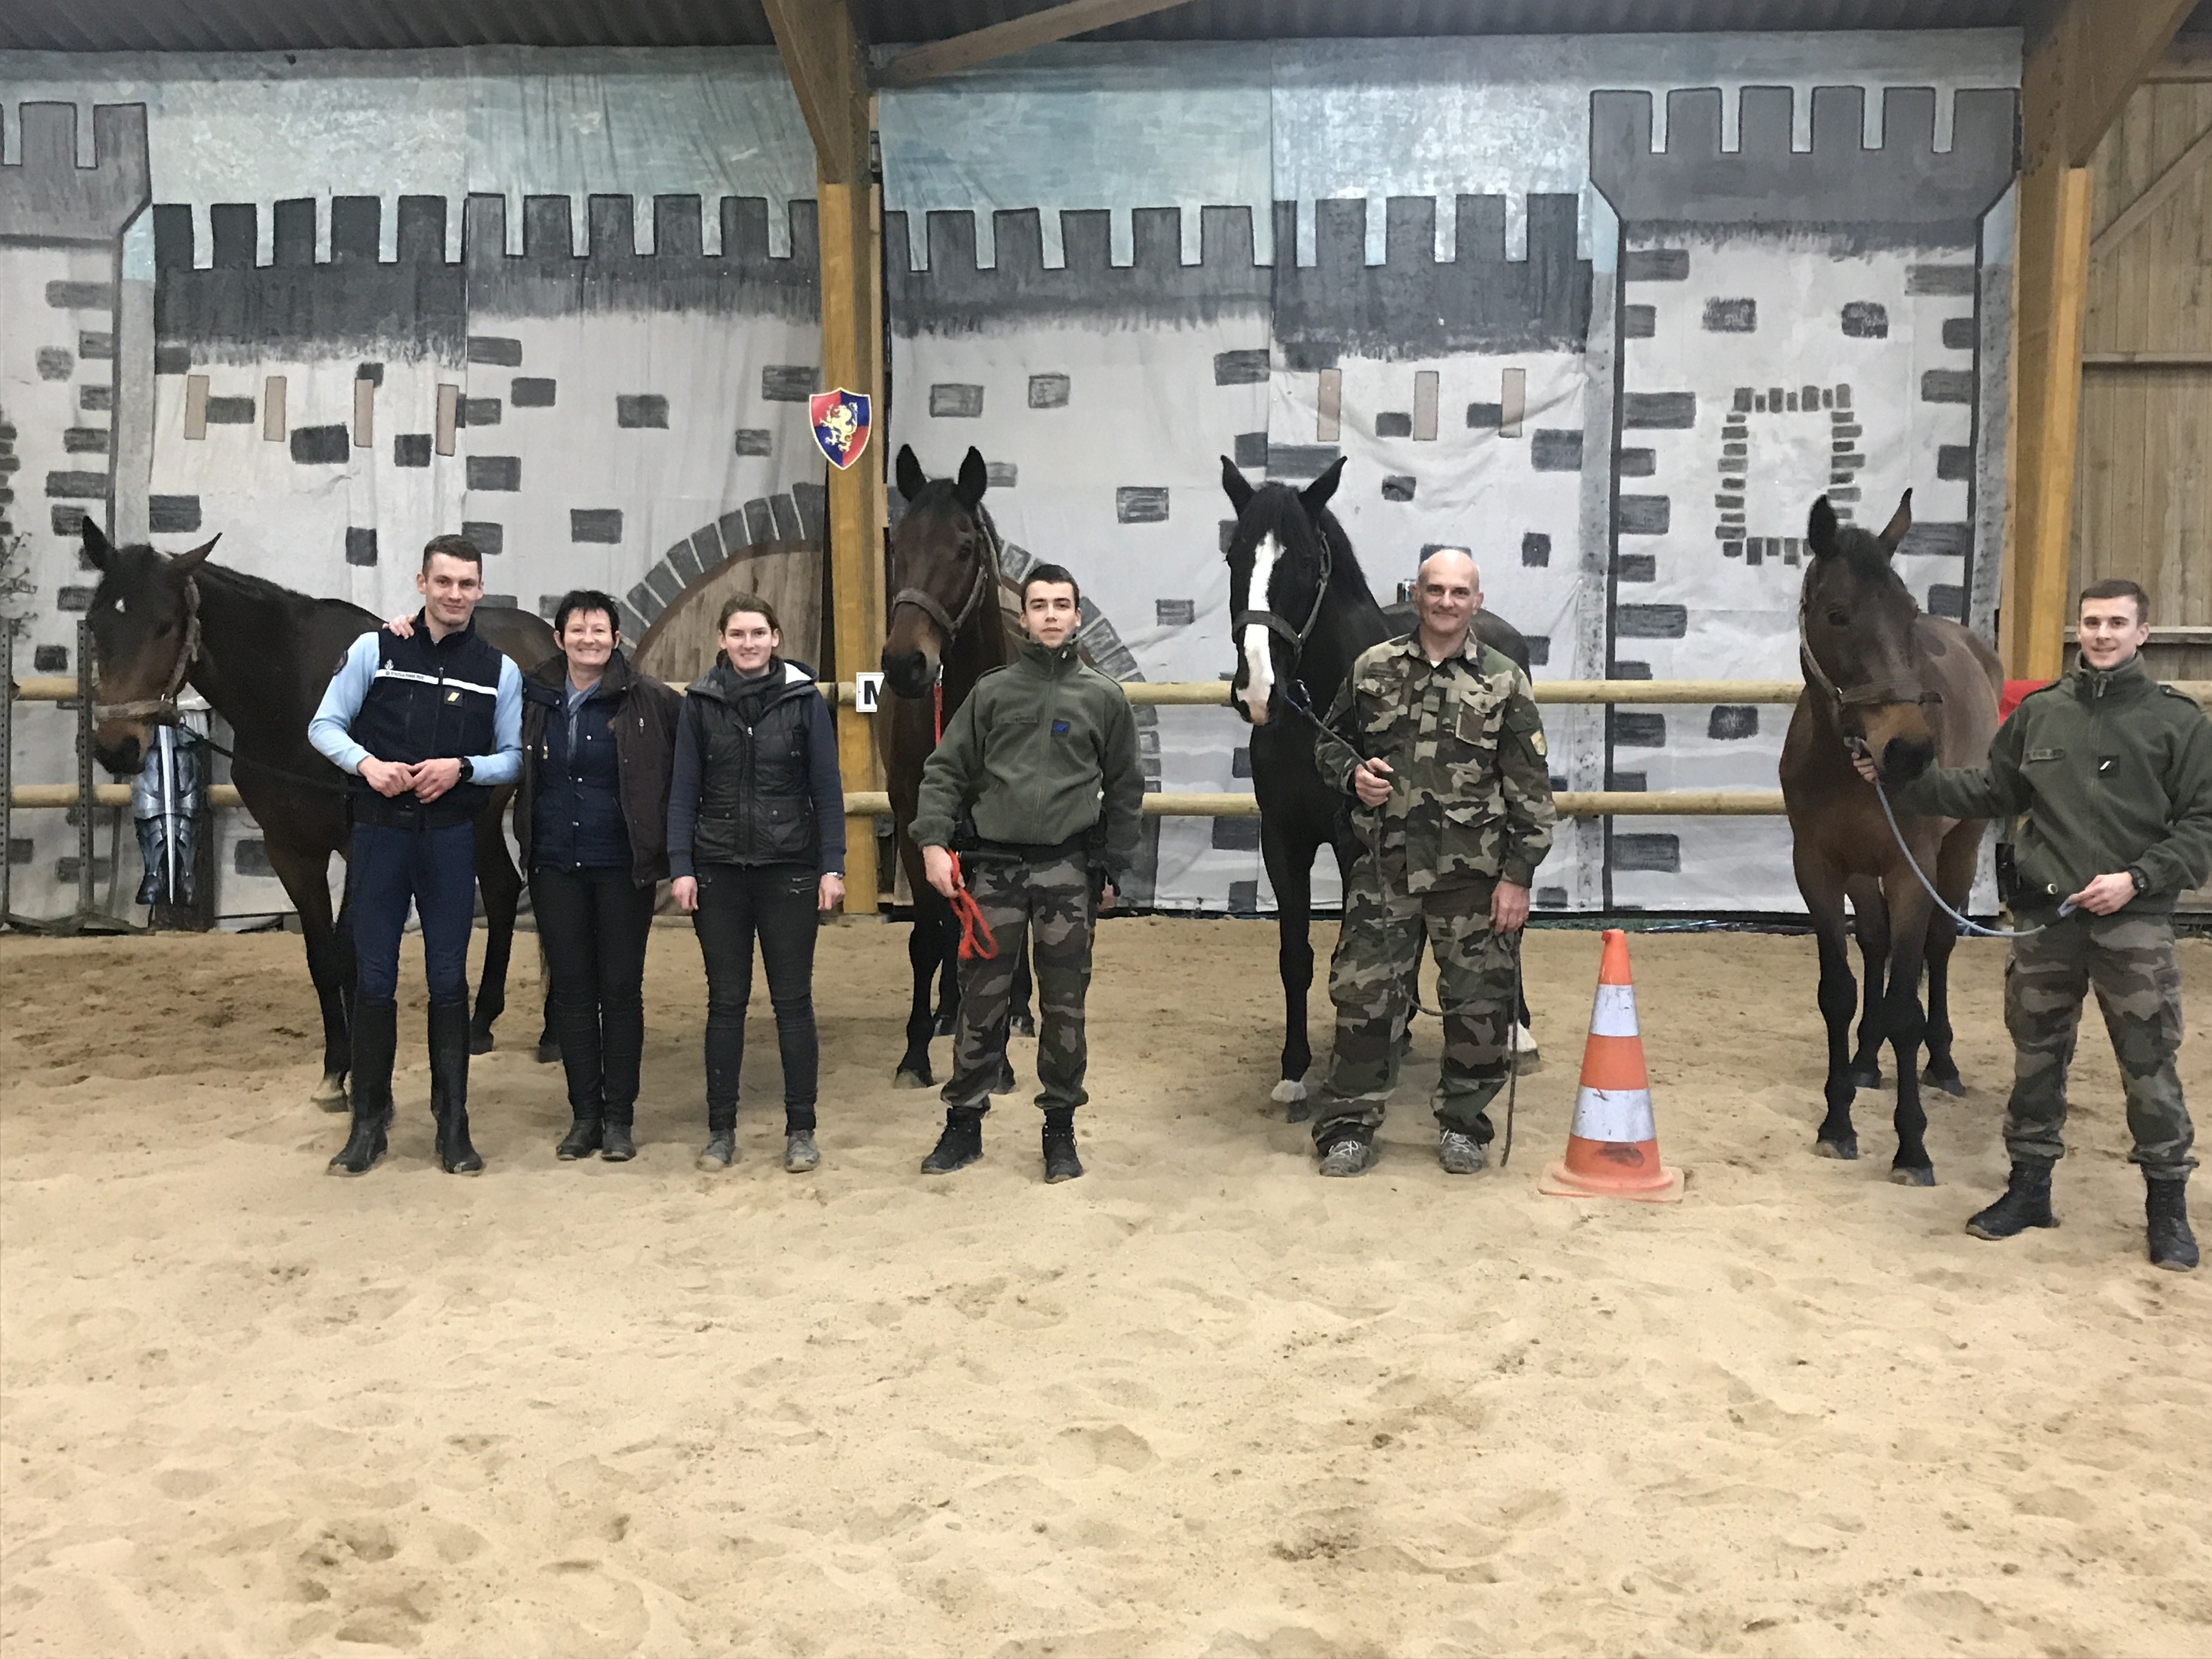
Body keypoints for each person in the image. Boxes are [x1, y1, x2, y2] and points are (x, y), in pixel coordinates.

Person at [1859, 579, 2210, 1271]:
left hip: (2132, 926)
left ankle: (2166, 1208)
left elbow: (2203, 825)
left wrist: (2137, 879)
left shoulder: (2179, 723)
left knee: (2148, 1067)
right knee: (2037, 1061)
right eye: (2091, 622)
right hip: (2048, 921)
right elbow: (1992, 789)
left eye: (2117, 623)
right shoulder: (2043, 714)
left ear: (2143, 633)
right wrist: (1900, 779)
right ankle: (2029, 1189)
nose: (2102, 634)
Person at [1305, 546, 1556, 1177]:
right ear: (1416, 596)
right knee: (1364, 1004)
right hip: (1384, 874)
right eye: (1434, 590)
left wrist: (1518, 879)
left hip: (1473, 882)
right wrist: (1352, 774)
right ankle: (1349, 1126)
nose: (1446, 602)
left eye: (1459, 592)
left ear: (1477, 602)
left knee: (1478, 1011)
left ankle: (1464, 1125)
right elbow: (1330, 744)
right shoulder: (1372, 669)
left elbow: (1531, 792)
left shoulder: (1504, 682)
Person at [910, 562, 1145, 1182]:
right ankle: (964, 1126)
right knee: (980, 1003)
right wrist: (933, 841)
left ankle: (1060, 1132)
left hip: (1068, 873)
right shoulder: (992, 693)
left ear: (1076, 614)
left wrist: (1114, 867)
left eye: (1060, 605)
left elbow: (1125, 788)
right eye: (1038, 605)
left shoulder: (1104, 698)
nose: (1049, 615)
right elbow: (945, 771)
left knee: (1064, 1010)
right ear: (1023, 617)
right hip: (994, 872)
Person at [309, 534, 522, 1177]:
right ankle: (369, 1122)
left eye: (467, 584)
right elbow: (324, 726)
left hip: (450, 842)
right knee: (373, 978)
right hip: (380, 835)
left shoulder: (498, 671)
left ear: (480, 590)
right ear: (422, 583)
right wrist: (367, 765)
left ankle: (452, 1127)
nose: (455, 594)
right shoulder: (376, 649)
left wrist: (463, 768)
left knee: (447, 980)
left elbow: (513, 756)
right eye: (444, 582)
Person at [667, 596, 844, 1174]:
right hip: (718, 872)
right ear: (722, 638)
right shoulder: (699, 704)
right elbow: (683, 789)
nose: (748, 643)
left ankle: (801, 1129)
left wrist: (832, 866)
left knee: (794, 1005)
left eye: (759, 633)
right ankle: (721, 1131)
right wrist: (681, 865)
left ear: (776, 637)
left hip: (789, 869)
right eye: (738, 633)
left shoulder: (803, 703)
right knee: (726, 1004)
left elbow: (826, 788)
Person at [516, 592, 680, 1163]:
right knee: (574, 992)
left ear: (616, 639)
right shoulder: (531, 698)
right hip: (555, 863)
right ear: (560, 639)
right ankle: (584, 1115)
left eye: (600, 630)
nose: (589, 639)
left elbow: (680, 777)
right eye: (578, 630)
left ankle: (620, 1118)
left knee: (620, 989)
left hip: (621, 867)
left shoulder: (651, 701)